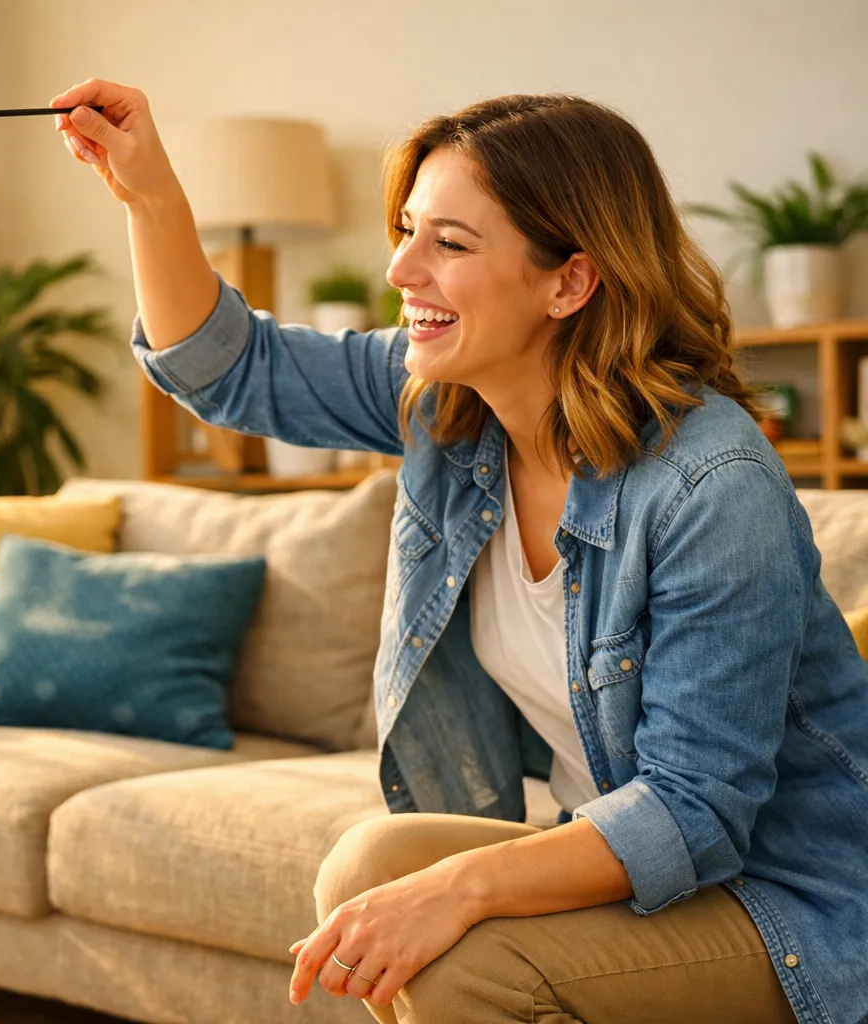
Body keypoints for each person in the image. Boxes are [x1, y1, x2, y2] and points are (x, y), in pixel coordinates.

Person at [50, 79, 868, 1024]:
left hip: (787, 898)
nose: (400, 270)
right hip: (642, 862)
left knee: (460, 962)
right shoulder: (447, 405)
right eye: (406, 229)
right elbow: (233, 368)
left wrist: (464, 887)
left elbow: (694, 812)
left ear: (569, 281)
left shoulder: (711, 484)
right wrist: (149, 192)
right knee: (366, 872)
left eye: (449, 243)